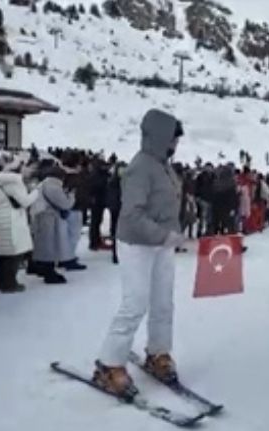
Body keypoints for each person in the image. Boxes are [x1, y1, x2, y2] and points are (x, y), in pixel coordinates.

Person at [95, 109, 185, 398]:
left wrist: (175, 231)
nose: (176, 145)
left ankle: (158, 352)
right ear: (160, 138)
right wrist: (163, 234)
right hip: (137, 244)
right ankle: (109, 363)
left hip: (162, 245)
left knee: (163, 302)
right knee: (135, 303)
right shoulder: (140, 167)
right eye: (173, 139)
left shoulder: (165, 167)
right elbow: (132, 214)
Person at [0, 158, 39, 293]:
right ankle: (9, 283)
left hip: (3, 221)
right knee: (15, 253)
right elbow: (25, 201)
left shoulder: (0, 181)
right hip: (12, 222)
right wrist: (36, 191)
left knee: (6, 254)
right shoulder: (13, 181)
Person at [30, 166, 75, 284]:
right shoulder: (53, 186)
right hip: (47, 217)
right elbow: (65, 204)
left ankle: (38, 266)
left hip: (40, 215)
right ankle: (48, 272)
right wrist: (71, 196)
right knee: (48, 245)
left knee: (41, 244)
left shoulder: (44, 184)